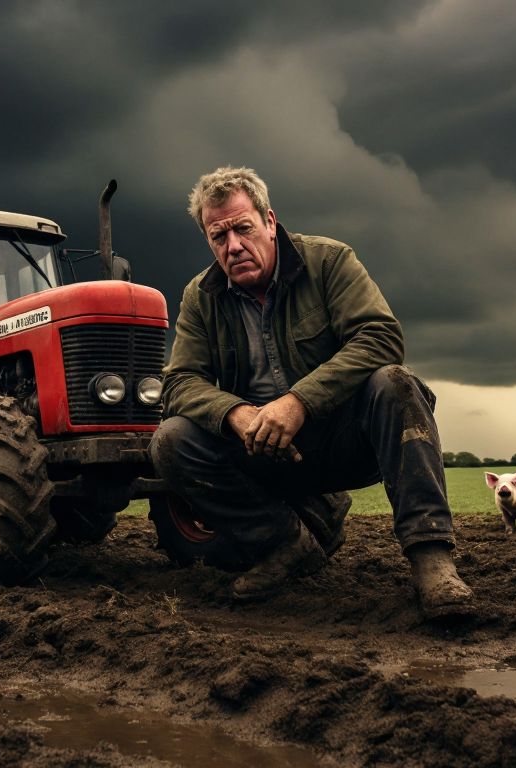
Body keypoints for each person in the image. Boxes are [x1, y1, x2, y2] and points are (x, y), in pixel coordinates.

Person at [149, 166, 472, 620]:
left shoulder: (329, 261)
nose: (233, 246)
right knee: (170, 439)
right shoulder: (200, 296)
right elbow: (180, 381)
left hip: (342, 438)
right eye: (218, 236)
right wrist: (237, 414)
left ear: (270, 221)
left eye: (243, 228)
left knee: (395, 382)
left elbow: (380, 337)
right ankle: (284, 544)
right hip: (263, 449)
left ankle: (431, 559)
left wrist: (299, 403)